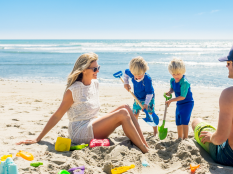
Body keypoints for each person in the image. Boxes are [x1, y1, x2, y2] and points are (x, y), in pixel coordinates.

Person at [16, 52, 149, 153]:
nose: (97, 71)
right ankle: (144, 149)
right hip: (80, 131)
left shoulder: (95, 84)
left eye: (98, 68)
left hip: (92, 123)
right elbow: (57, 115)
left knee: (125, 107)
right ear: (84, 70)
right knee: (122, 114)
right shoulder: (72, 91)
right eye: (94, 69)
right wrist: (37, 138)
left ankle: (144, 144)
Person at [124, 56, 158, 135]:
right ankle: (135, 130)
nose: (138, 76)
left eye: (140, 74)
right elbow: (126, 72)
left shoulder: (147, 79)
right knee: (135, 114)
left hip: (148, 98)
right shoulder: (132, 73)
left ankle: (155, 132)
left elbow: (149, 93)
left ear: (144, 70)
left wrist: (146, 104)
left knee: (150, 113)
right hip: (137, 97)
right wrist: (126, 83)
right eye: (135, 75)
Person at [165, 58, 194, 139]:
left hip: (187, 103)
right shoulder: (172, 80)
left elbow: (182, 96)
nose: (175, 76)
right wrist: (169, 92)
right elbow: (172, 88)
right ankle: (179, 137)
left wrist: (170, 100)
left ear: (183, 71)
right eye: (173, 74)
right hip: (179, 103)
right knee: (178, 120)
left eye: (178, 74)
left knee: (184, 120)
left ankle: (185, 138)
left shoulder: (184, 82)